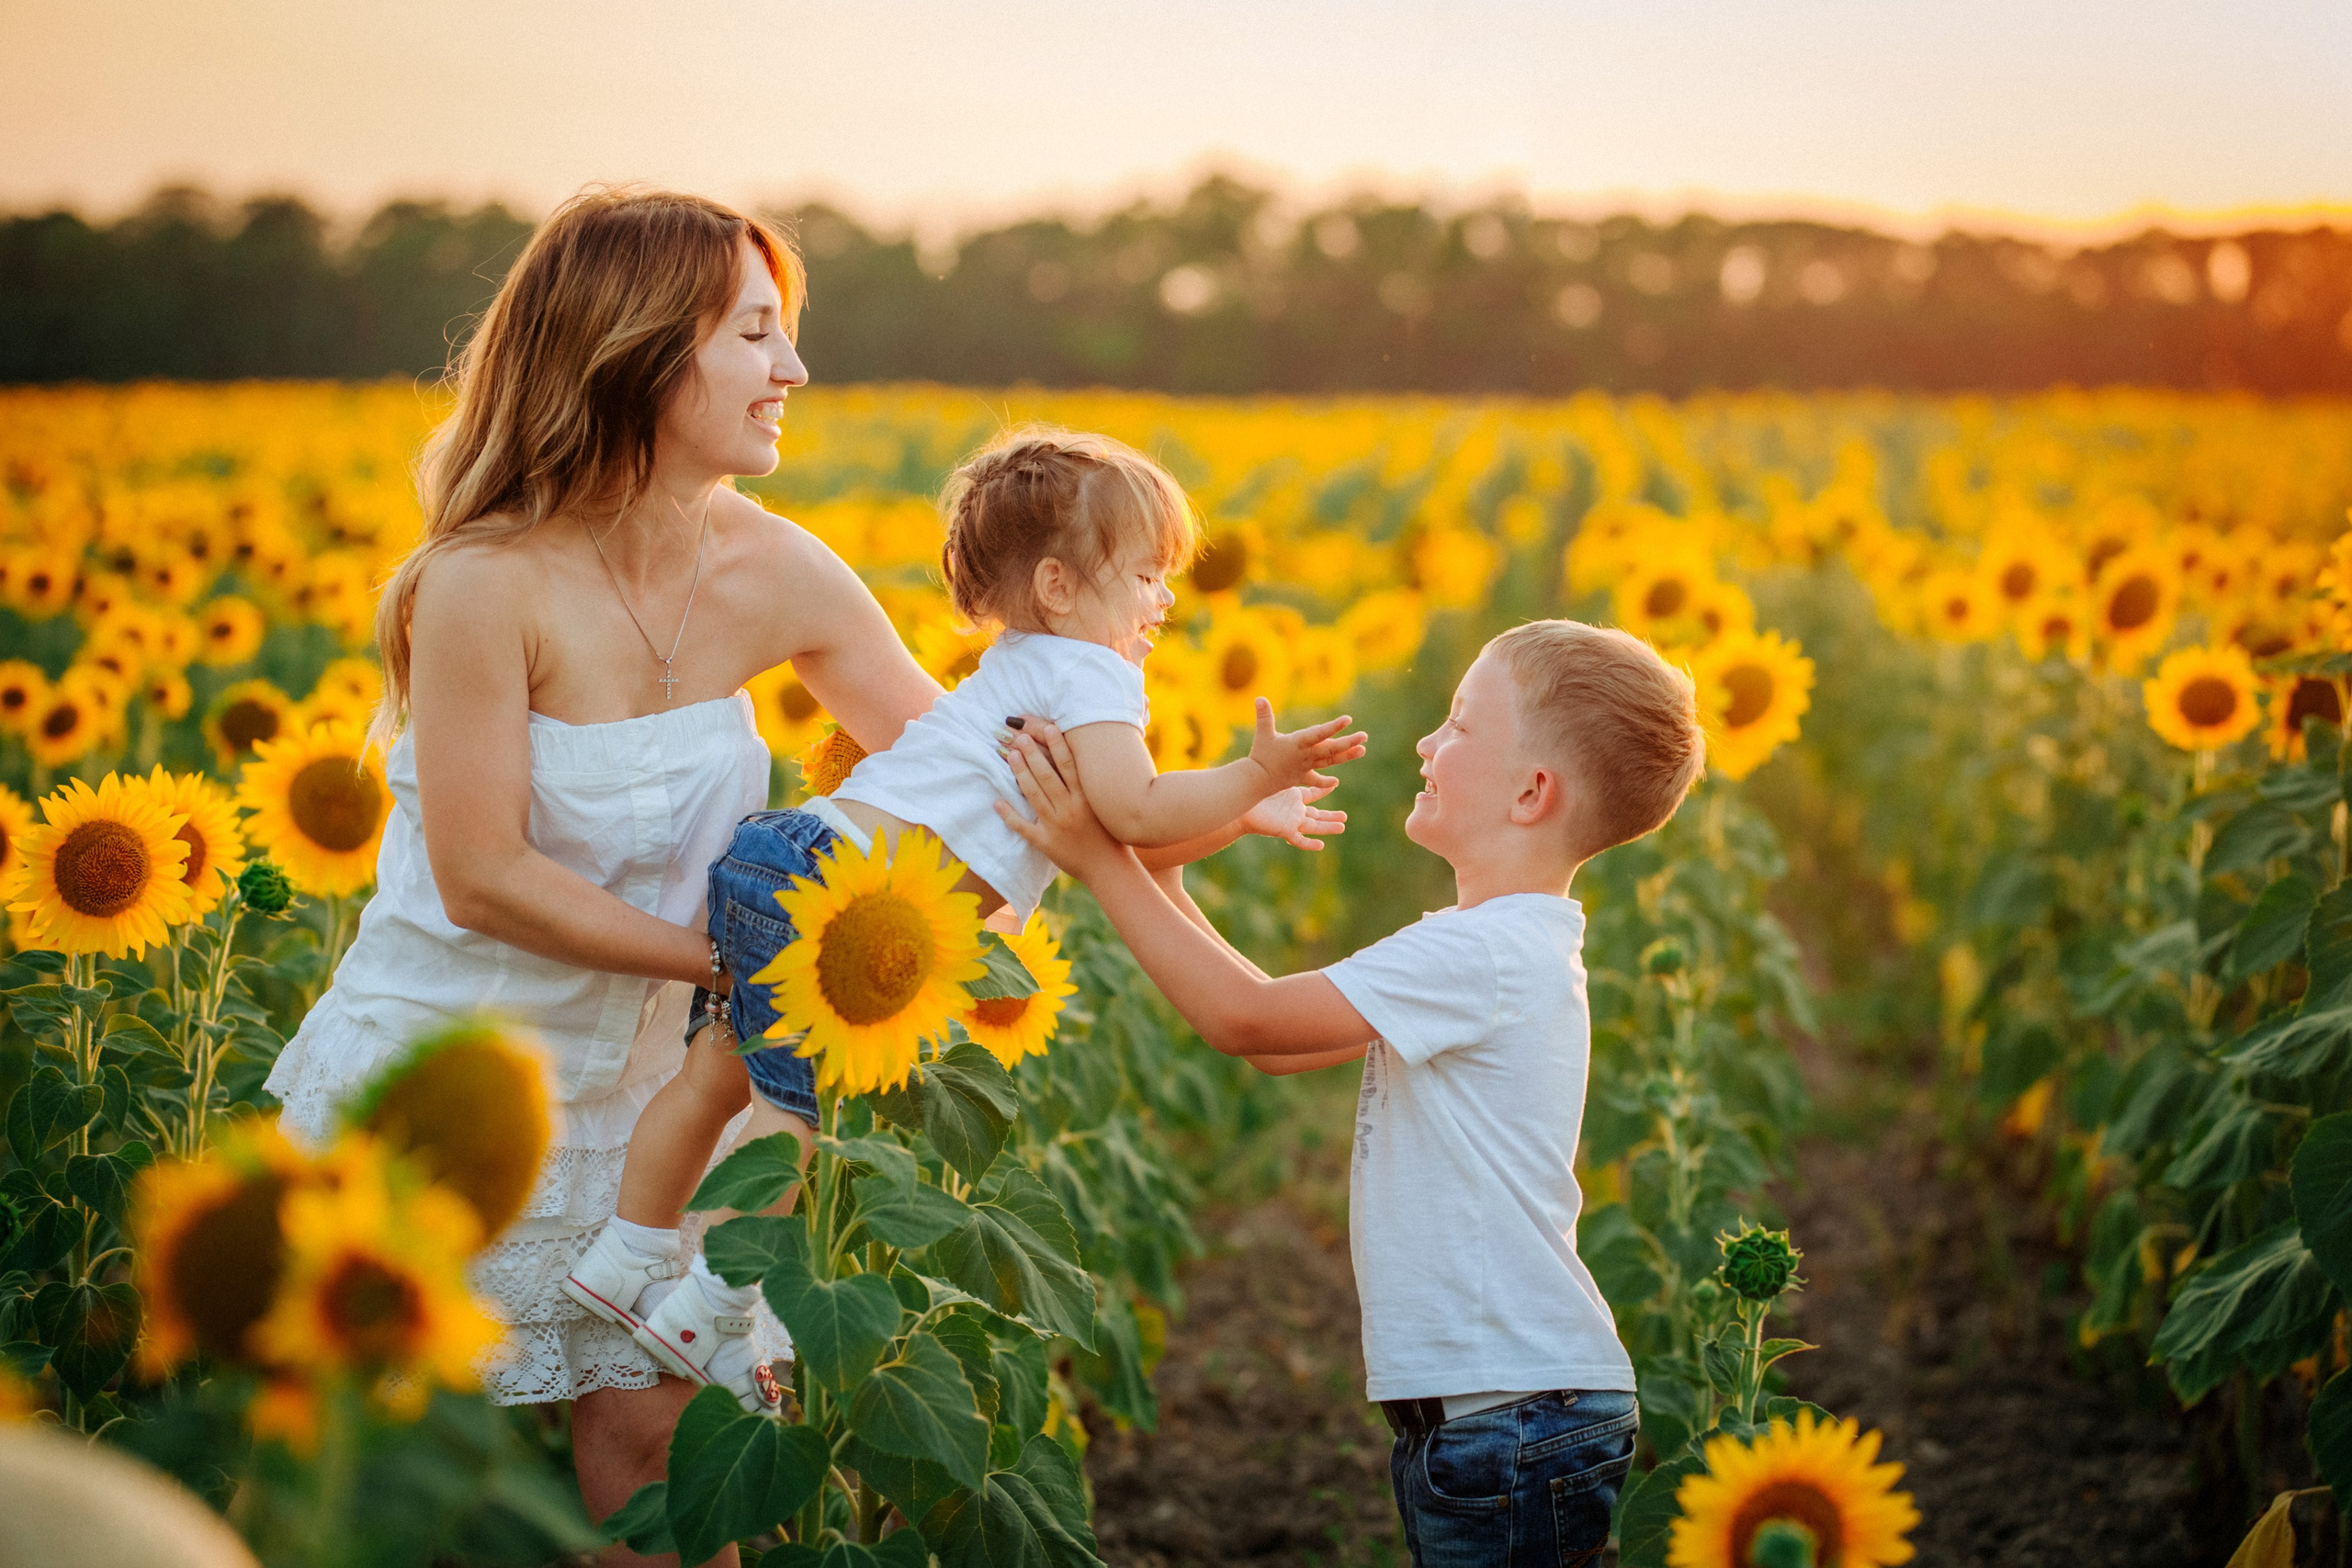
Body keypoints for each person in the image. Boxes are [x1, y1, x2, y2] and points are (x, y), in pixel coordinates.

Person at [261, 186, 944, 1566]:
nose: (793, 371)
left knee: (661, 1470)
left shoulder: (776, 564)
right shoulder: (480, 584)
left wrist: (1143, 778)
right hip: (456, 1089)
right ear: (642, 350)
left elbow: (953, 772)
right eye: (757, 334)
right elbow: (484, 873)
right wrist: (741, 960)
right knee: (381, 1484)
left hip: (668, 1111)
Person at [560, 427, 1368, 1407]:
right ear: (1062, 586)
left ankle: (622, 1256)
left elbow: (1114, 841)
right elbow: (1138, 810)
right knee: (792, 1122)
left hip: (784, 858)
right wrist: (1254, 774)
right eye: (1148, 576)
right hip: (842, 901)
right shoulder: (1091, 675)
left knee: (711, 1078)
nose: (1163, 601)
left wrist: (1240, 814)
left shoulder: (1026, 663)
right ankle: (711, 1311)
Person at [995, 619, 1707, 1568]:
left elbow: (1244, 1019)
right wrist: (1154, 857)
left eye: (1456, 727)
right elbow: (1278, 1045)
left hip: (1512, 1410)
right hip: (1500, 1408)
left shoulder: (1480, 954)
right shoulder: (1490, 943)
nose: (1425, 742)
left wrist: (1099, 858)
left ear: (1531, 792)